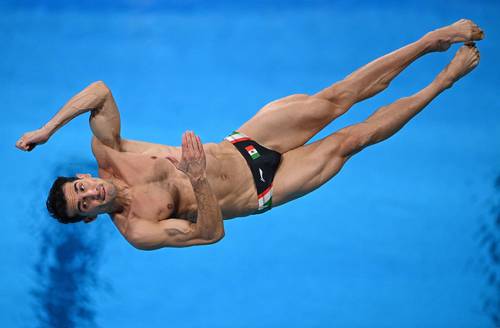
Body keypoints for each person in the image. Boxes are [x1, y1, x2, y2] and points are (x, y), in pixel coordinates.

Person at [16, 19, 483, 250]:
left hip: (244, 143)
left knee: (337, 98)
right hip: (262, 189)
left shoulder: (109, 152)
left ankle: (428, 41)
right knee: (350, 140)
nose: (90, 193)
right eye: (85, 204)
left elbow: (99, 91)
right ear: (91, 218)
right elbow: (210, 234)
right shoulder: (139, 228)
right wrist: (197, 178)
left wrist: (48, 128)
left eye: (81, 187)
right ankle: (444, 81)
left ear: (81, 175)